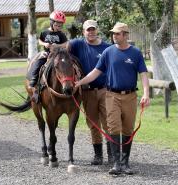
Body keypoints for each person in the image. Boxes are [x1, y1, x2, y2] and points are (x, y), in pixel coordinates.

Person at [75, 22, 150, 175]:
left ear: (125, 35)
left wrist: (146, 93)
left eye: (117, 33)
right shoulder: (108, 52)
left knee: (128, 128)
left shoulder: (135, 53)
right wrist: (80, 83)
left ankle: (125, 163)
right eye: (113, 33)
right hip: (111, 96)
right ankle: (116, 164)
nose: (114, 36)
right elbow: (95, 72)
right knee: (113, 127)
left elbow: (143, 75)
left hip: (130, 96)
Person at [67, 20, 112, 165]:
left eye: (93, 29)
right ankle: (98, 156)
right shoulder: (78, 45)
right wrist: (48, 47)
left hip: (105, 90)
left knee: (108, 123)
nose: (91, 32)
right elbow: (63, 48)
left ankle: (112, 155)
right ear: (83, 32)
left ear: (97, 30)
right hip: (87, 92)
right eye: (88, 30)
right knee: (93, 124)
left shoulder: (107, 47)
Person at [27, 10, 67, 102]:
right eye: (57, 25)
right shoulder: (45, 32)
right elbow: (40, 40)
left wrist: (57, 46)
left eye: (60, 26)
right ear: (51, 23)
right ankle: (33, 80)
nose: (58, 27)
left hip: (58, 55)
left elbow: (66, 44)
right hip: (47, 54)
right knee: (38, 63)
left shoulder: (61, 34)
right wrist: (44, 44)